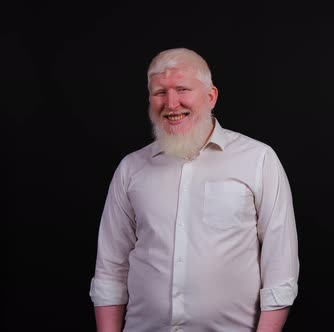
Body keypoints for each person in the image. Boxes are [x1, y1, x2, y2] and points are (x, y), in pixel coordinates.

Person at [89, 48, 299, 332]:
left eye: (182, 89)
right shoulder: (131, 168)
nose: (171, 103)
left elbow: (280, 267)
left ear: (211, 96)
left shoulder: (259, 160)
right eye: (159, 92)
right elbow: (110, 270)